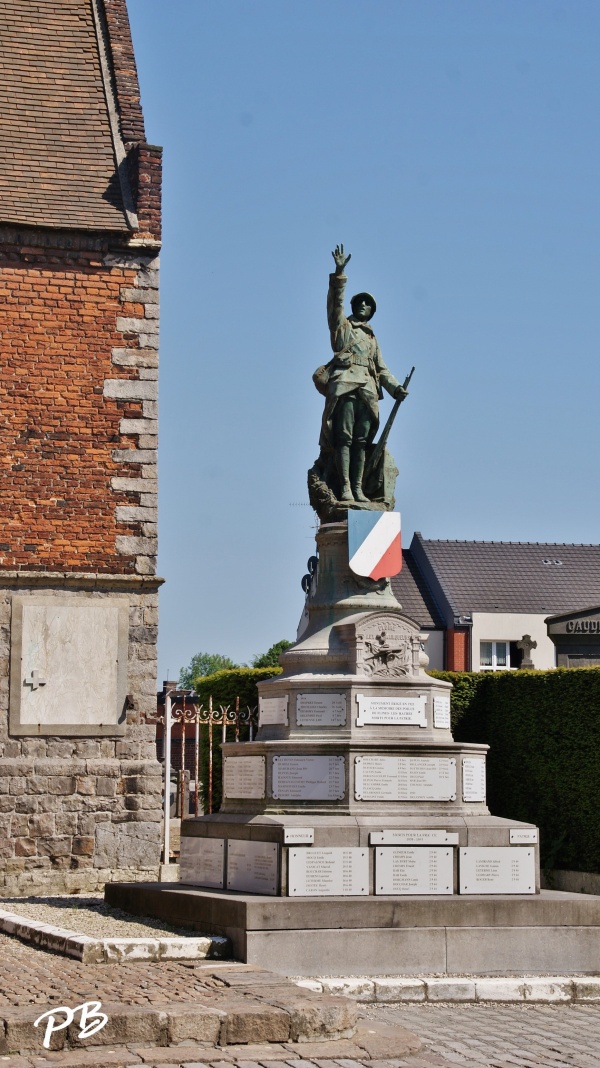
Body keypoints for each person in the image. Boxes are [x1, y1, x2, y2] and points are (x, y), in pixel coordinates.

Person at [314, 244, 408, 503]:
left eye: (368, 303)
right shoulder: (342, 327)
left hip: (367, 390)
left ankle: (357, 489)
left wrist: (396, 388)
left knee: (361, 441)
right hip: (345, 385)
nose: (364, 305)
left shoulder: (372, 338)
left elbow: (381, 368)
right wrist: (339, 274)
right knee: (343, 440)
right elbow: (335, 304)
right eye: (360, 301)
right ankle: (344, 487)